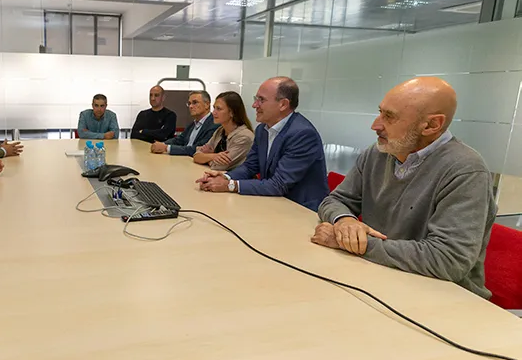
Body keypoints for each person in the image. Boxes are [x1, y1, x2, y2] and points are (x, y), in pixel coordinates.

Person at [311, 77, 496, 298]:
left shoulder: (465, 169)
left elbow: (448, 260)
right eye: (380, 112)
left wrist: (352, 244)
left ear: (431, 125)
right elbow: (335, 200)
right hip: (379, 277)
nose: (375, 125)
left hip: (440, 298)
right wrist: (344, 221)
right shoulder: (378, 152)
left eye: (389, 117)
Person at [196, 77, 328, 211]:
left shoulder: (302, 134)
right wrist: (224, 176)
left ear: (283, 104)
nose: (254, 105)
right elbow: (250, 167)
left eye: (261, 100)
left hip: (302, 211)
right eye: (256, 99)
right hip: (273, 203)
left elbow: (278, 184)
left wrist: (229, 185)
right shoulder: (262, 130)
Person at [192, 91, 254, 171]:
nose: (214, 112)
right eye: (214, 108)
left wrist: (206, 156)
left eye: (219, 109)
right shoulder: (220, 131)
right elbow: (196, 156)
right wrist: (214, 156)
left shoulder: (244, 136)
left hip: (234, 181)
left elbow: (218, 166)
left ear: (232, 113)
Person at [152, 90, 219, 156]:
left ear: (207, 104)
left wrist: (166, 148)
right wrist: (162, 144)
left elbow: (197, 149)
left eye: (195, 102)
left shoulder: (214, 124)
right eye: (189, 103)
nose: (190, 106)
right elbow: (179, 140)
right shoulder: (193, 124)